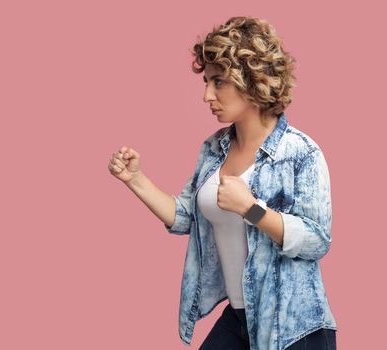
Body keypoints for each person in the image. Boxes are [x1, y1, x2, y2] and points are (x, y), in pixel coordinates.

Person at [108, 16, 337, 350]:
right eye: (206, 82)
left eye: (218, 82)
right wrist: (135, 179)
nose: (206, 95)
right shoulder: (214, 149)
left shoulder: (300, 153)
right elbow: (185, 215)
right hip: (239, 319)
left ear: (252, 80)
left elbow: (318, 241)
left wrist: (252, 209)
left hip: (294, 327)